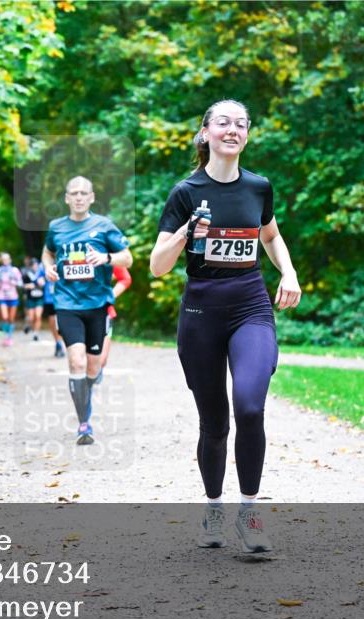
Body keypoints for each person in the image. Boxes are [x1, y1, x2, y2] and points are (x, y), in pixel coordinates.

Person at [149, 99, 301, 554]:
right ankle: (213, 510)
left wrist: (288, 272)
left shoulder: (258, 188)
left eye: (240, 124)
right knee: (214, 424)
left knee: (250, 407)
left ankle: (249, 515)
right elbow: (157, 267)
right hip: (201, 313)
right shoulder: (185, 192)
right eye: (223, 123)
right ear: (206, 133)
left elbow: (270, 236)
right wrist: (185, 234)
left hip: (250, 305)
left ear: (247, 135)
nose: (232, 130)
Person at [42, 176, 132, 445]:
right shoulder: (56, 228)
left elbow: (127, 257)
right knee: (76, 362)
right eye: (74, 193)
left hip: (97, 305)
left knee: (93, 367)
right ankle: (84, 423)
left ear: (91, 197)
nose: (79, 197)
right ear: (66, 198)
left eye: (84, 193)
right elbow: (47, 253)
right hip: (67, 304)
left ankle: (88, 389)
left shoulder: (103, 226)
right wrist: (47, 267)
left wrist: (106, 258)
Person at [95, 265, 132, 384]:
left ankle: (94, 375)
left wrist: (109, 297)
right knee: (82, 358)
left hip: (105, 313)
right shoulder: (73, 250)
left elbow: (125, 278)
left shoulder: (106, 251)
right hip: (78, 312)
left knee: (101, 359)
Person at [0, 252, 23, 347]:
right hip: (2, 296)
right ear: (1, 260)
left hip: (13, 296)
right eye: (3, 259)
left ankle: (9, 337)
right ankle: (5, 336)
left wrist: (14, 282)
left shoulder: (15, 270)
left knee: (11, 318)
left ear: (10, 260)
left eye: (7, 259)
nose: (5, 261)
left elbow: (20, 283)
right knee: (4, 317)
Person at [41, 265, 64, 357]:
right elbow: (38, 278)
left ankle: (61, 343)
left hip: (65, 298)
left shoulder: (66, 259)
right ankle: (58, 343)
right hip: (50, 298)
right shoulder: (43, 265)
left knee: (63, 321)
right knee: (53, 320)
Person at [21, 256, 45, 340]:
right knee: (31, 317)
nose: (35, 266)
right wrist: (29, 286)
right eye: (33, 265)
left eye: (36, 265)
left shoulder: (42, 273)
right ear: (31, 266)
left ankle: (36, 333)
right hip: (30, 297)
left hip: (40, 297)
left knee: (38, 316)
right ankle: (28, 325)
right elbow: (22, 285)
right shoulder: (26, 274)